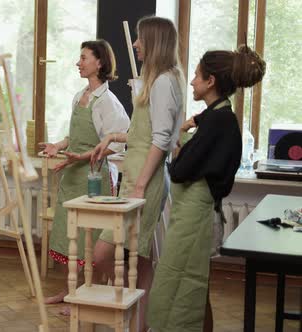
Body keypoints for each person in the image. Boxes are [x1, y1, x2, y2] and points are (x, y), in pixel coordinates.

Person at [147, 45, 265, 332]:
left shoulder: (218, 120)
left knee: (179, 284)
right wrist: (191, 124)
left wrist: (176, 147)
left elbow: (181, 171)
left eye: (197, 76)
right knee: (193, 285)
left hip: (195, 220)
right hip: (195, 217)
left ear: (211, 81)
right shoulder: (219, 116)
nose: (192, 81)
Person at [90, 16, 185, 332]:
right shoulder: (158, 80)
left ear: (154, 42)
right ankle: (141, 325)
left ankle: (129, 314)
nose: (134, 44)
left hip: (144, 181)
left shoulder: (164, 83)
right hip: (135, 178)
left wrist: (141, 185)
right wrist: (112, 138)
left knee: (103, 254)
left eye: (139, 39)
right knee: (142, 262)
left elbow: (161, 140)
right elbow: (143, 134)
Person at [40, 39, 130, 311]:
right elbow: (76, 136)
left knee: (88, 238)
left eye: (83, 58)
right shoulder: (79, 95)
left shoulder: (108, 102)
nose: (78, 62)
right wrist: (58, 146)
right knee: (71, 235)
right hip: (73, 175)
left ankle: (85, 294)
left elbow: (117, 143)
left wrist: (84, 157)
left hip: (94, 177)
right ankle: (69, 291)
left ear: (99, 63)